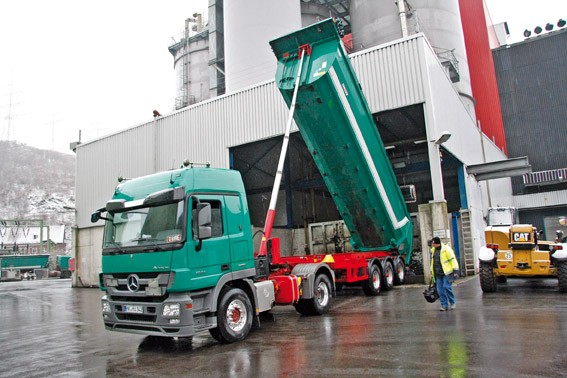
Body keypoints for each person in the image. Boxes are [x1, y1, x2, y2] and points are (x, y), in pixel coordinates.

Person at [430, 237, 459, 311]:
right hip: (438, 273)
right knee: (440, 290)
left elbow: (453, 260)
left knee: (446, 287)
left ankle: (452, 302)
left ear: (437, 243)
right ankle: (444, 305)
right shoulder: (433, 251)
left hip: (447, 273)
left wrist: (455, 271)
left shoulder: (446, 249)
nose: (433, 245)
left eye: (434, 244)